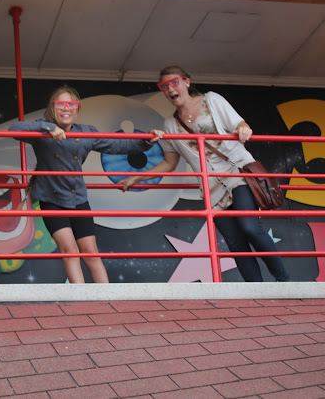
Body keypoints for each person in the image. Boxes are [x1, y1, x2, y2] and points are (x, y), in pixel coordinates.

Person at [119, 66, 290, 282]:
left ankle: (283, 280)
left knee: (250, 227)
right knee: (235, 244)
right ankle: (256, 290)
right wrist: (136, 178)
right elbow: (169, 163)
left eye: (174, 82)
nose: (170, 89)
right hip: (212, 187)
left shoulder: (212, 100)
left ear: (187, 82)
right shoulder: (170, 124)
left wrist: (244, 129)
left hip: (236, 172)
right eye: (164, 86)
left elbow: (239, 123)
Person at [9, 86, 159, 283]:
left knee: (90, 252)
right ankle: (81, 298)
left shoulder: (86, 132)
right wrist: (48, 128)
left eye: (71, 104)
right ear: (53, 108)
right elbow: (14, 129)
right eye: (60, 104)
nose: (66, 109)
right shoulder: (42, 129)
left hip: (78, 199)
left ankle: (106, 297)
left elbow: (117, 145)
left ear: (77, 109)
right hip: (52, 201)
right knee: (70, 250)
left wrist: (147, 140)